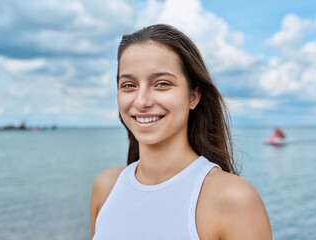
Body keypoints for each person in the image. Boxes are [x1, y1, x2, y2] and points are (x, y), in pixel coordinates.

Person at [90, 24, 272, 239]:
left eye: (162, 84)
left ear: (193, 96)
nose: (141, 101)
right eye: (129, 85)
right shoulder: (106, 187)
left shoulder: (234, 199)